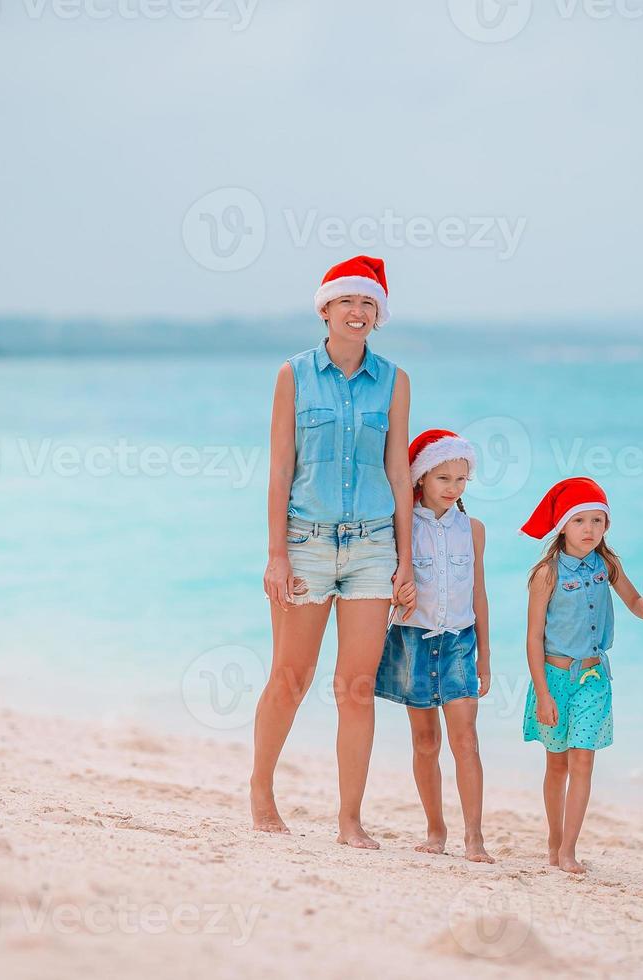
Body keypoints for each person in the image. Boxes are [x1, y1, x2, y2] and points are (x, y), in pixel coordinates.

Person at [250, 255, 415, 849]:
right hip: (306, 543)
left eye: (368, 303)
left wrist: (406, 558)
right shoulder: (294, 375)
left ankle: (349, 819)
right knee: (291, 676)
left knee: (356, 686)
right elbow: (280, 467)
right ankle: (261, 792)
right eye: (348, 301)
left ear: (378, 314)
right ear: (325, 309)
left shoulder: (395, 380)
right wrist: (277, 554)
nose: (357, 312)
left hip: (374, 546)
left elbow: (398, 469)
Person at [373, 429, 493, 863]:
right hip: (413, 643)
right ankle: (435, 829)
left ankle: (474, 838)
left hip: (460, 643)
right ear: (421, 478)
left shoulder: (473, 530)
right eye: (443, 478)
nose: (453, 488)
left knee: (467, 741)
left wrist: (485, 654)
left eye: (461, 480)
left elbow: (479, 594)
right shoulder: (399, 525)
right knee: (425, 740)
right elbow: (387, 579)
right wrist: (395, 593)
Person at [521, 477, 643, 875]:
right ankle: (554, 840)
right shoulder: (546, 573)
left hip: (593, 681)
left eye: (597, 520)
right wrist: (542, 694)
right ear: (563, 525)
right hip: (554, 680)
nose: (590, 530)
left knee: (583, 763)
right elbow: (533, 638)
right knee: (556, 766)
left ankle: (569, 850)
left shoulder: (607, 565)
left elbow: (633, 600)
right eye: (580, 521)